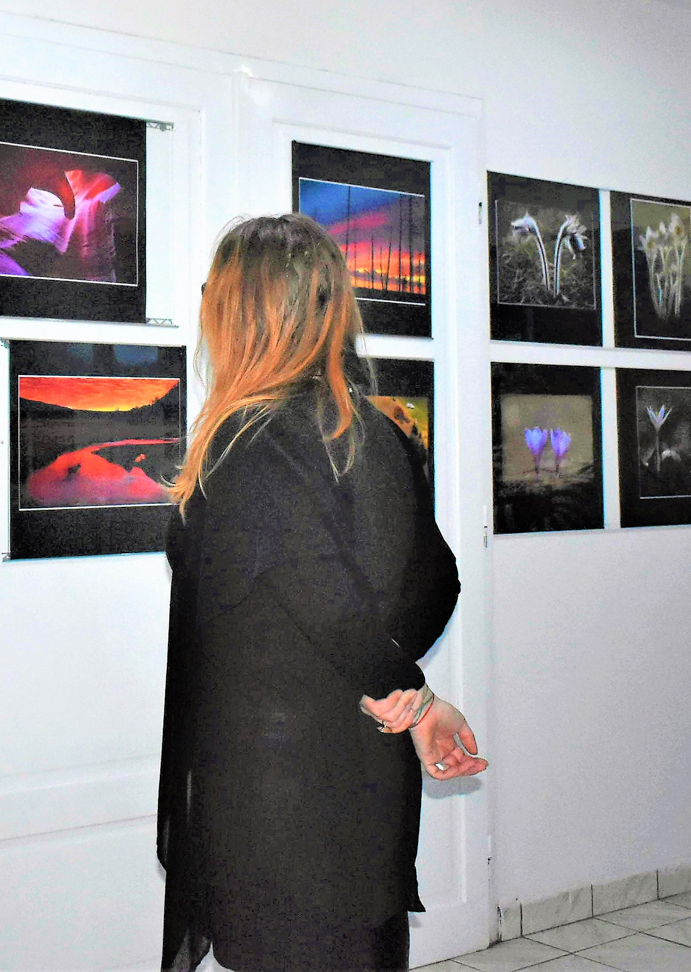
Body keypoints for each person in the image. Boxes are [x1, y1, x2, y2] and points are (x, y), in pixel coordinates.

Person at [157, 214, 485, 972]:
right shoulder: (382, 432)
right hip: (365, 774)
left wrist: (404, 695)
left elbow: (325, 600)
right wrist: (404, 696)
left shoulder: (248, 444)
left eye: (214, 294)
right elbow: (435, 581)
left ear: (244, 312)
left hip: (278, 793)